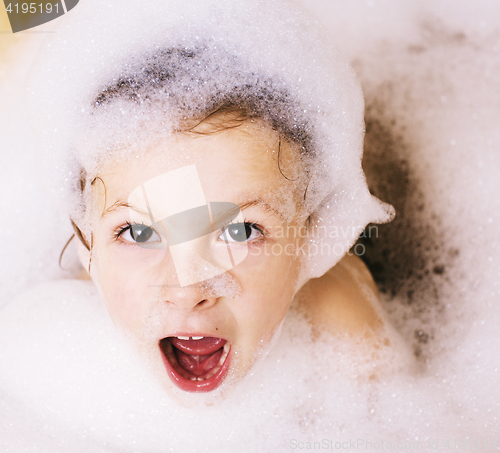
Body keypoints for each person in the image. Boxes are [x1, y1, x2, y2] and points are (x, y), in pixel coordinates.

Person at [26, 0, 409, 406]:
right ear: (88, 246)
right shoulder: (52, 334)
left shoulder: (348, 336)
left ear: (311, 241)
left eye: (239, 230)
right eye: (140, 232)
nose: (188, 287)